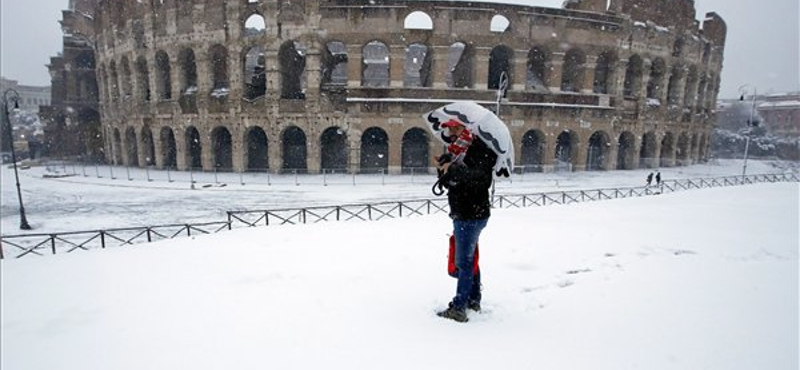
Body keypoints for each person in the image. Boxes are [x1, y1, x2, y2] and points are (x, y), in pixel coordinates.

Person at [435, 120, 497, 323]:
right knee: (469, 258)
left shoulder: (480, 148)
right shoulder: (456, 150)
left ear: (468, 129)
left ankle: (460, 307)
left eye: (456, 127)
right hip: (463, 211)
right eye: (449, 128)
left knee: (464, 262)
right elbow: (451, 181)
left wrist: (453, 169)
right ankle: (473, 299)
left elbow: (482, 179)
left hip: (472, 213)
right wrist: (444, 167)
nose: (451, 131)